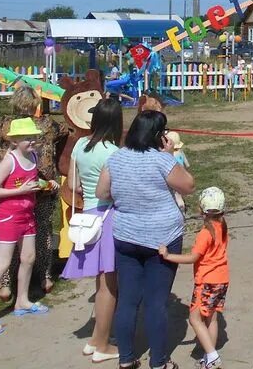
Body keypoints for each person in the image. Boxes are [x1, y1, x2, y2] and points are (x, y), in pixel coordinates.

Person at [96, 106, 196, 369]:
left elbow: (102, 191)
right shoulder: (161, 160)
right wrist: (170, 156)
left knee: (128, 299)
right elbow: (188, 185)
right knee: (155, 301)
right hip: (162, 237)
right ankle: (159, 361)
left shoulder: (116, 158)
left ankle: (127, 359)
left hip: (126, 236)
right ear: (157, 134)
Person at [0, 117, 53, 335]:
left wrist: (44, 184)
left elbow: (31, 182)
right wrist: (20, 191)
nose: (32, 142)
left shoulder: (34, 156)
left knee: (29, 258)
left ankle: (22, 300)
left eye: (34, 138)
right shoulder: (9, 161)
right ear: (15, 141)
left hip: (28, 215)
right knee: (2, 264)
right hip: (8, 217)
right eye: (27, 139)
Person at [61, 99, 123, 362]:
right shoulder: (113, 152)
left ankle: (97, 337)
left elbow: (73, 185)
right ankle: (101, 344)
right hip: (108, 215)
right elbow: (116, 189)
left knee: (101, 283)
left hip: (88, 215)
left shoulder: (80, 146)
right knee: (109, 285)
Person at [160, 187, 229, 369]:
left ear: (201, 210)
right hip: (222, 279)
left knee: (194, 319)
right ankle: (209, 356)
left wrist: (168, 256)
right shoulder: (222, 226)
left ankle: (213, 357)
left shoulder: (205, 234)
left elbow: (192, 258)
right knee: (211, 318)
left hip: (206, 281)